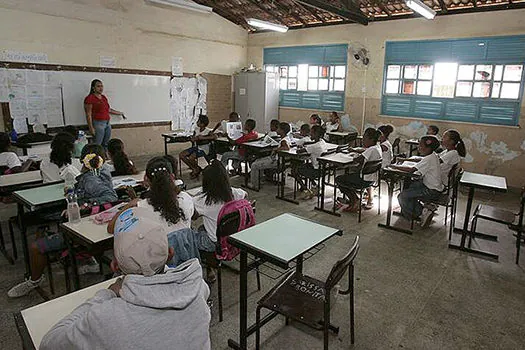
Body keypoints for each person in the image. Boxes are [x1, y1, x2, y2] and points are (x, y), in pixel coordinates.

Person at [39, 208, 211, 350]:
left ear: (115, 266)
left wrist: (106, 295)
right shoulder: (197, 287)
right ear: (170, 254)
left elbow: (49, 343)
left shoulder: (106, 318)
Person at [193, 160, 247, 279]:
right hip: (236, 239)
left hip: (216, 243)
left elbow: (192, 215)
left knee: (190, 235)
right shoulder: (235, 193)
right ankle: (211, 265)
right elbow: (246, 195)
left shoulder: (203, 200)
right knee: (203, 228)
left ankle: (209, 266)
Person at [390, 135, 443, 228]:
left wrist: (393, 166)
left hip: (431, 191)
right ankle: (424, 209)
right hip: (433, 187)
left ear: (428, 147)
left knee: (402, 196)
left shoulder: (429, 158)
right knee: (412, 186)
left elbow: (411, 170)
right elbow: (419, 160)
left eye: (420, 145)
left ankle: (422, 212)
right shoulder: (433, 155)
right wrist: (405, 159)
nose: (418, 147)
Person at [335, 128, 382, 212]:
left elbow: (358, 160)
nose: (362, 140)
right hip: (372, 180)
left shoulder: (371, 149)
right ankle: (354, 200)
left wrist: (352, 156)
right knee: (348, 177)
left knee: (339, 179)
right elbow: (365, 152)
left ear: (371, 139)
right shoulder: (377, 147)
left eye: (364, 138)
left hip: (364, 180)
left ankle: (355, 200)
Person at [84, 79, 125, 151]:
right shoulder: (90, 98)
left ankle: (105, 158)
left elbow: (108, 109)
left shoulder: (103, 97)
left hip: (107, 123)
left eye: (102, 86)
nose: (101, 88)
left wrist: (119, 113)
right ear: (93, 88)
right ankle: (95, 159)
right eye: (98, 86)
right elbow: (88, 114)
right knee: (97, 144)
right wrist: (91, 128)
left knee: (106, 144)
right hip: (98, 124)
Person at [249, 122, 292, 189]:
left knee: (254, 165)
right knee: (257, 160)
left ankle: (254, 185)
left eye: (278, 128)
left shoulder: (284, 141)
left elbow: (287, 148)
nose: (277, 130)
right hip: (277, 159)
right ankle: (259, 181)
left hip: (276, 161)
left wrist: (277, 149)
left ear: (282, 131)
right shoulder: (287, 138)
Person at [295, 125, 328, 199]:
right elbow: (312, 145)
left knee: (295, 170)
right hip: (323, 168)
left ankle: (305, 189)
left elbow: (298, 151)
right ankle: (315, 186)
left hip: (316, 171)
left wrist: (302, 147)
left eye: (312, 133)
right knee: (306, 165)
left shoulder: (314, 146)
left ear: (316, 134)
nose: (310, 134)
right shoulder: (322, 142)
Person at [179, 114, 216, 178]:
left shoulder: (208, 131)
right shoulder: (196, 129)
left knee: (191, 157)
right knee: (181, 155)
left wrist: (202, 138)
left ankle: (195, 170)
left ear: (203, 124)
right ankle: (195, 168)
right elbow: (193, 138)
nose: (197, 122)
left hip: (204, 149)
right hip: (196, 147)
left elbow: (215, 137)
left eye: (198, 121)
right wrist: (192, 139)